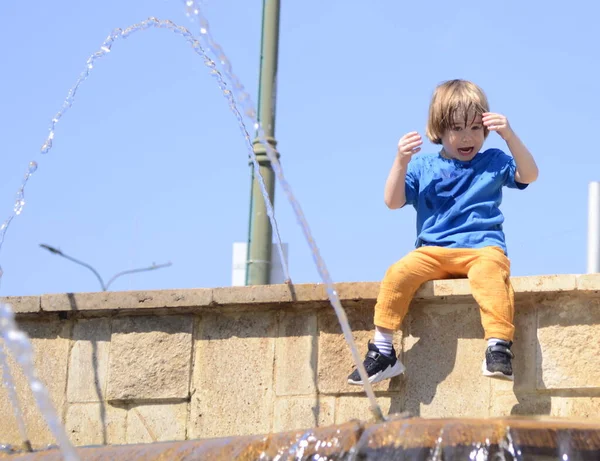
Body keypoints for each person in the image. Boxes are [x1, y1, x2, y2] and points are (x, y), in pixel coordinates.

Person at [347, 79, 538, 385]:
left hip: (482, 249)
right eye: (457, 129)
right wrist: (400, 161)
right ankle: (383, 351)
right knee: (398, 273)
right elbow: (392, 201)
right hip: (433, 251)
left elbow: (529, 174)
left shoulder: (493, 161)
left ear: (487, 129)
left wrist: (510, 135)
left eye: (476, 128)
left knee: (491, 276)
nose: (467, 137)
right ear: (438, 129)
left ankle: (498, 346)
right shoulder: (423, 165)